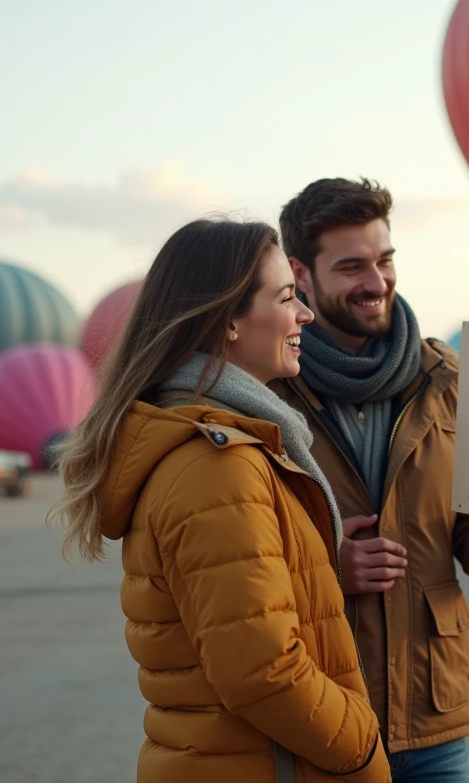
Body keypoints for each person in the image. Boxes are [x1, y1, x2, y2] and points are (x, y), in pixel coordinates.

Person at [271, 179, 469, 782]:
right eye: (352, 267)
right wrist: (324, 571)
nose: (376, 281)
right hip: (318, 713)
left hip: (432, 721)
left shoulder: (450, 380)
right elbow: (231, 555)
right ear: (301, 274)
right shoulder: (266, 390)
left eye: (385, 259)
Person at [50, 218, 391, 783]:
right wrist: (361, 746)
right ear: (229, 321)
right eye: (286, 298)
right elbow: (262, 671)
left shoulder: (225, 446)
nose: (305, 315)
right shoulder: (219, 465)